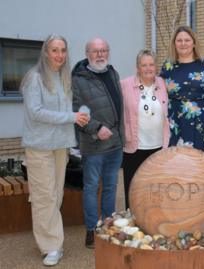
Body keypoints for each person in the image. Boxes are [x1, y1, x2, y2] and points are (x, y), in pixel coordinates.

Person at [21, 34, 89, 266]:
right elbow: (35, 112)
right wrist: (71, 117)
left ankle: (50, 238)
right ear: (45, 52)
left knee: (55, 195)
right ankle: (50, 246)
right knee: (44, 197)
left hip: (60, 146)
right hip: (39, 146)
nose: (59, 55)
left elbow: (74, 105)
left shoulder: (64, 78)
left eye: (63, 50)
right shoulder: (35, 78)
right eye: (54, 50)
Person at [72, 38, 125, 249]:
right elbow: (77, 110)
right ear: (87, 54)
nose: (100, 55)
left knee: (111, 186)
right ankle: (92, 230)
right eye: (95, 51)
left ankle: (109, 224)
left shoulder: (112, 73)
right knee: (92, 188)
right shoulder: (78, 79)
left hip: (115, 144)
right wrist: (95, 128)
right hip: (93, 145)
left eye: (104, 50)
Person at [120, 49, 170, 209]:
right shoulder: (125, 85)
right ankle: (132, 225)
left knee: (155, 190)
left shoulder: (162, 83)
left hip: (158, 148)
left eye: (151, 64)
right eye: (144, 65)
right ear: (137, 68)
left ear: (156, 66)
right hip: (134, 147)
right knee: (133, 189)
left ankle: (154, 222)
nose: (148, 68)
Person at [160, 25, 204, 153]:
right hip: (176, 121)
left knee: (202, 161)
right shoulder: (168, 66)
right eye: (179, 40)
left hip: (202, 121)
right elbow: (161, 94)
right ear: (174, 43)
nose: (183, 43)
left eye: (187, 40)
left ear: (194, 43)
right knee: (177, 161)